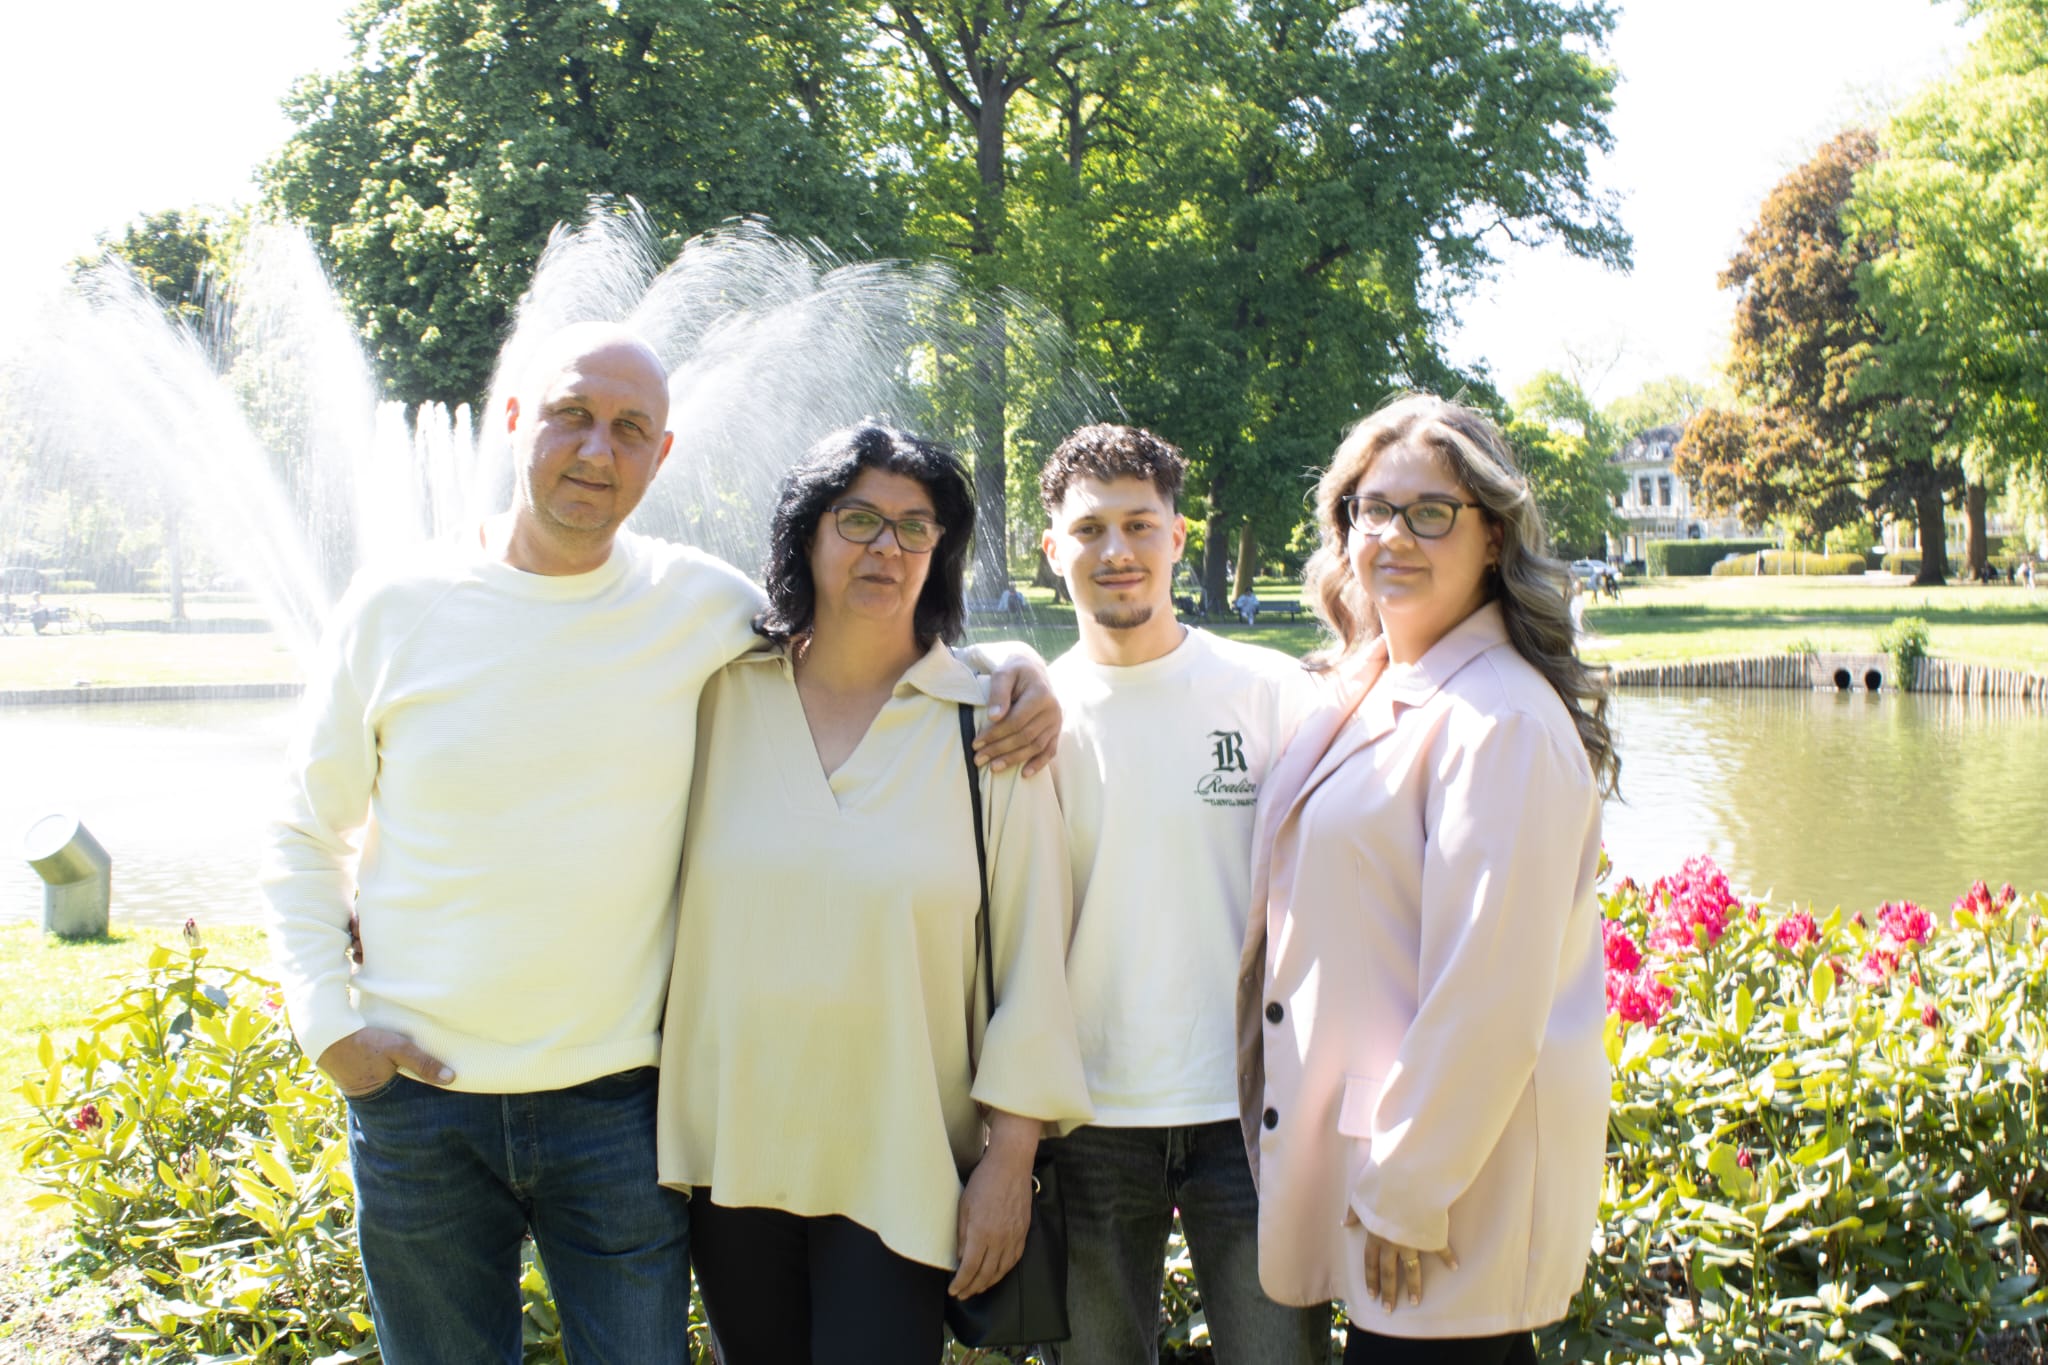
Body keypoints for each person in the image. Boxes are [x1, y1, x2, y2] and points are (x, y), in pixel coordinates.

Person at [263, 325, 1059, 1365]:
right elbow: (300, 828)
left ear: (661, 455)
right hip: (425, 1107)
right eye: (571, 418)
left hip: (615, 1113)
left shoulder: (700, 609)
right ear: (514, 419)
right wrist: (327, 1022)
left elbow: (883, 638)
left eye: (628, 430)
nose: (596, 452)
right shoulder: (397, 608)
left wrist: (1015, 668)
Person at [656, 423, 1093, 1363]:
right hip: (735, 1159)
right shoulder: (715, 697)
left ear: (940, 551)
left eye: (914, 526)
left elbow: (1034, 958)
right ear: (806, 534)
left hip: (903, 1161)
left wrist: (1010, 1157)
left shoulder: (991, 729)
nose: (885, 547)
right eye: (857, 519)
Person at [1237, 395, 1616, 1365]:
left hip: (1439, 1201)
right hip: (1374, 1178)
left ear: (1491, 536)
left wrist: (1407, 1188)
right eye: (1369, 509)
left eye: (1428, 512)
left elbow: (1488, 990)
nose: (1393, 535)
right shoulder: (1369, 687)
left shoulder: (1500, 721)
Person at [1036, 423, 1331, 1365]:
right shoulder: (1027, 715)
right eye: (1088, 531)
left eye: (1138, 524)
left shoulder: (1271, 694)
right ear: (1052, 552)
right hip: (1086, 1123)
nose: (1115, 551)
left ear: (1177, 533)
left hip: (1247, 1114)